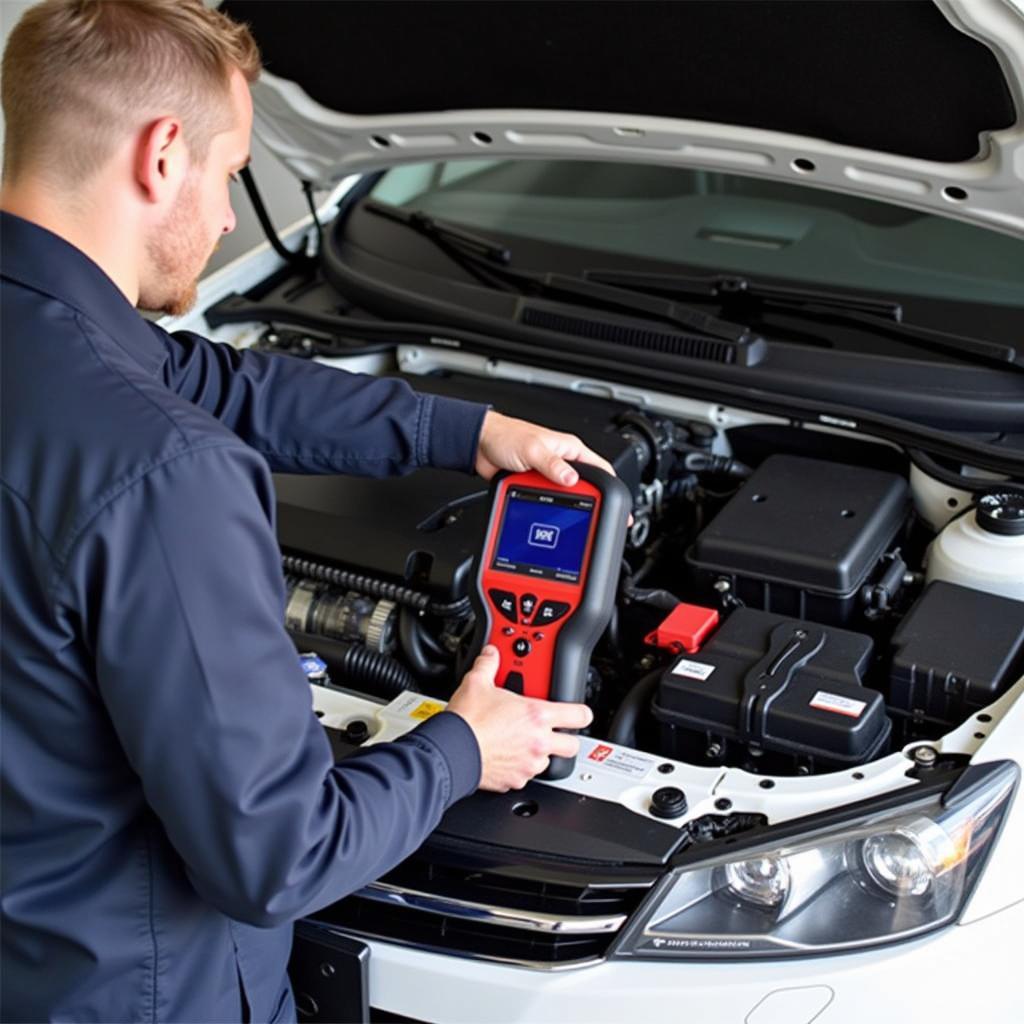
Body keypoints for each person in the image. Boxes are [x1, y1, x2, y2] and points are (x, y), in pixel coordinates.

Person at [0, 3, 617, 1021]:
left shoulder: (66, 351)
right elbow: (276, 855)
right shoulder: (167, 473)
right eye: (231, 169)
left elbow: (205, 376)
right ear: (162, 156)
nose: (233, 216)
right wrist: (465, 745)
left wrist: (466, 431)